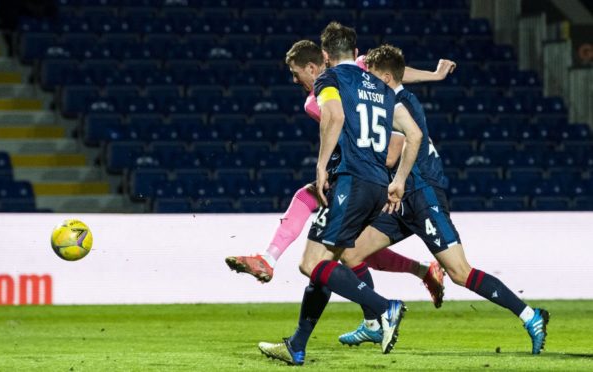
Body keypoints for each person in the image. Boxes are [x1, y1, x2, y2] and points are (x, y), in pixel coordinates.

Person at [335, 44, 550, 354]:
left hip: (422, 196)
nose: (364, 81)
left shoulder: (395, 106)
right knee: (352, 254)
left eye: (369, 76)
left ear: (382, 77)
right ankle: (372, 324)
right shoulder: (391, 94)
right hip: (401, 198)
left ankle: (531, 316)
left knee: (460, 272)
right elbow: (397, 72)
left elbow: (396, 151)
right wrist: (435, 76)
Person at [225, 40, 457, 308]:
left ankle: (377, 312)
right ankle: (411, 281)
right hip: (371, 164)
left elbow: (394, 72)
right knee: (348, 247)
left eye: (295, 73)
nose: (294, 80)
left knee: (337, 245)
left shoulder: (328, 92)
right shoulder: (333, 87)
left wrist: (434, 75)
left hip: (385, 165)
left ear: (313, 67)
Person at [258, 23, 423, 365]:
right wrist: (400, 180)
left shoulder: (329, 80)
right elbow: (415, 135)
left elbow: (332, 115)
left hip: (351, 182)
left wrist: (321, 166)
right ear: (356, 49)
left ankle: (383, 308)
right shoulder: (381, 86)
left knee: (312, 263)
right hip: (378, 185)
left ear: (325, 56)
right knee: (328, 262)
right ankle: (297, 345)